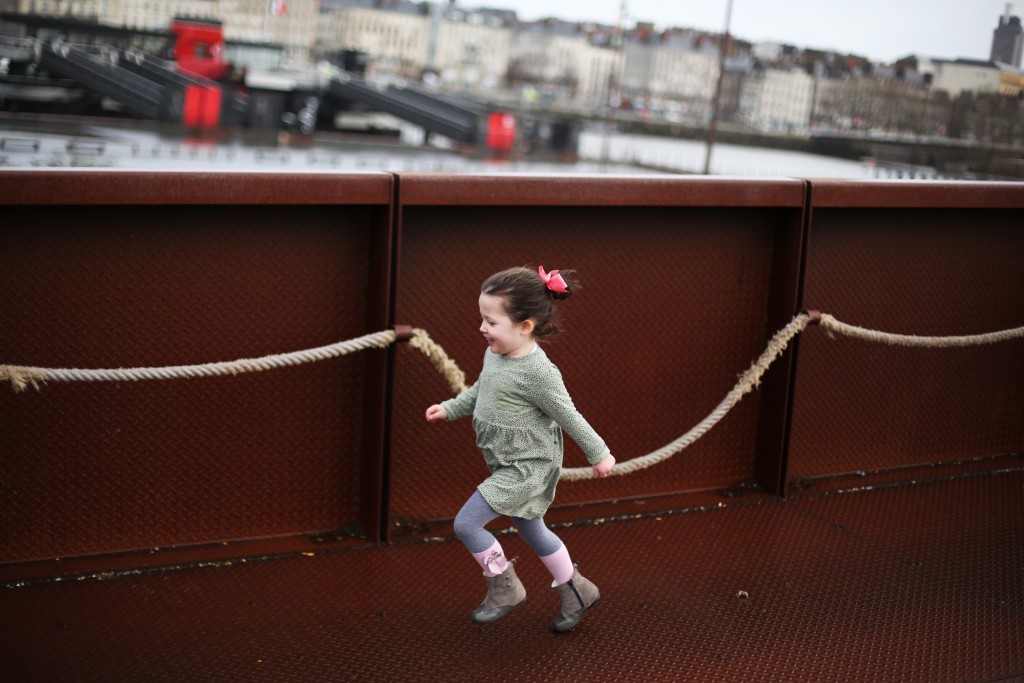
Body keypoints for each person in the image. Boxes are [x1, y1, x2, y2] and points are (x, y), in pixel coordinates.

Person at [425, 265, 616, 632]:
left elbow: (569, 415)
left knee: (467, 524)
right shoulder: (495, 355)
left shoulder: (538, 372)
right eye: (482, 319)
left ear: (524, 326)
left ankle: (505, 587)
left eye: (491, 321)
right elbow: (480, 391)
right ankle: (578, 591)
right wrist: (450, 408)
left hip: (528, 466)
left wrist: (599, 453)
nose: (483, 328)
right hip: (506, 462)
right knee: (532, 530)